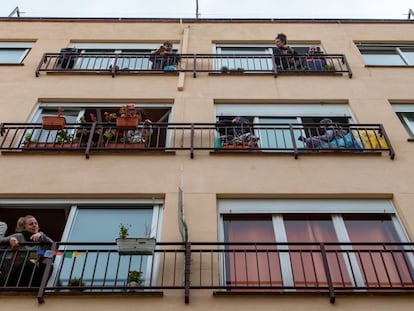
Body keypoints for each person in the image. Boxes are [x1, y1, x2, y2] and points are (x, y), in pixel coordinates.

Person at [0, 215, 53, 287]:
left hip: (33, 276)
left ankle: (40, 288)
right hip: (15, 277)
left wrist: (41, 235)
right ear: (24, 227)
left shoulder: (41, 239)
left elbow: (53, 246)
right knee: (32, 261)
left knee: (48, 262)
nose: (34, 225)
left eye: (36, 223)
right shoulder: (19, 236)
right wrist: (9, 240)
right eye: (31, 224)